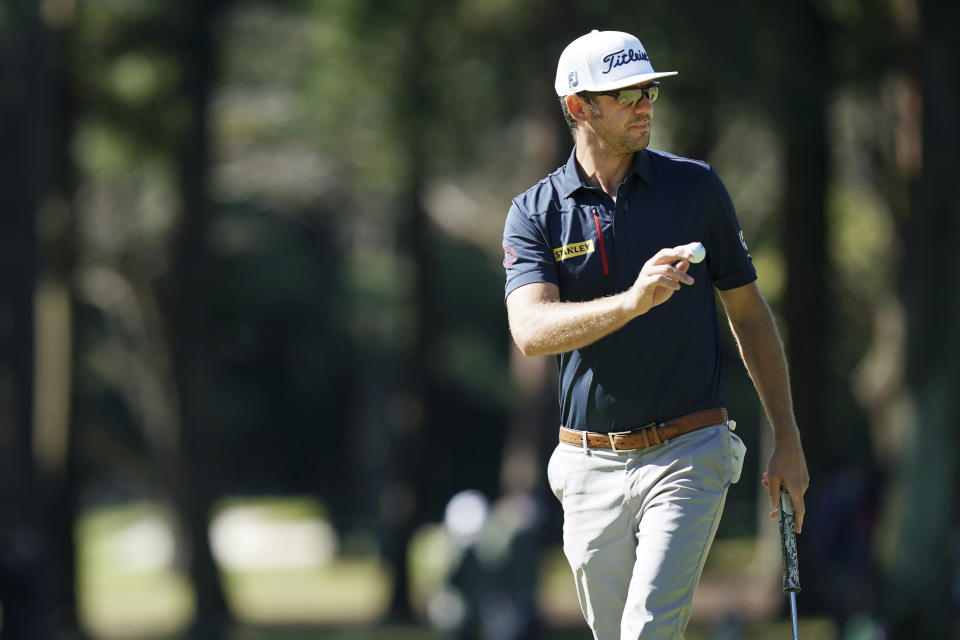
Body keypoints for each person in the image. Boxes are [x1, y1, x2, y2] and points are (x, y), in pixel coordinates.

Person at [500, 30, 810, 639]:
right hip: (588, 463)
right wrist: (634, 302)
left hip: (689, 450)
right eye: (624, 94)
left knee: (647, 630)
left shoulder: (695, 188)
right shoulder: (535, 212)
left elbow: (749, 315)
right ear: (578, 107)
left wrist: (789, 439)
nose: (645, 103)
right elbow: (532, 331)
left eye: (648, 90)